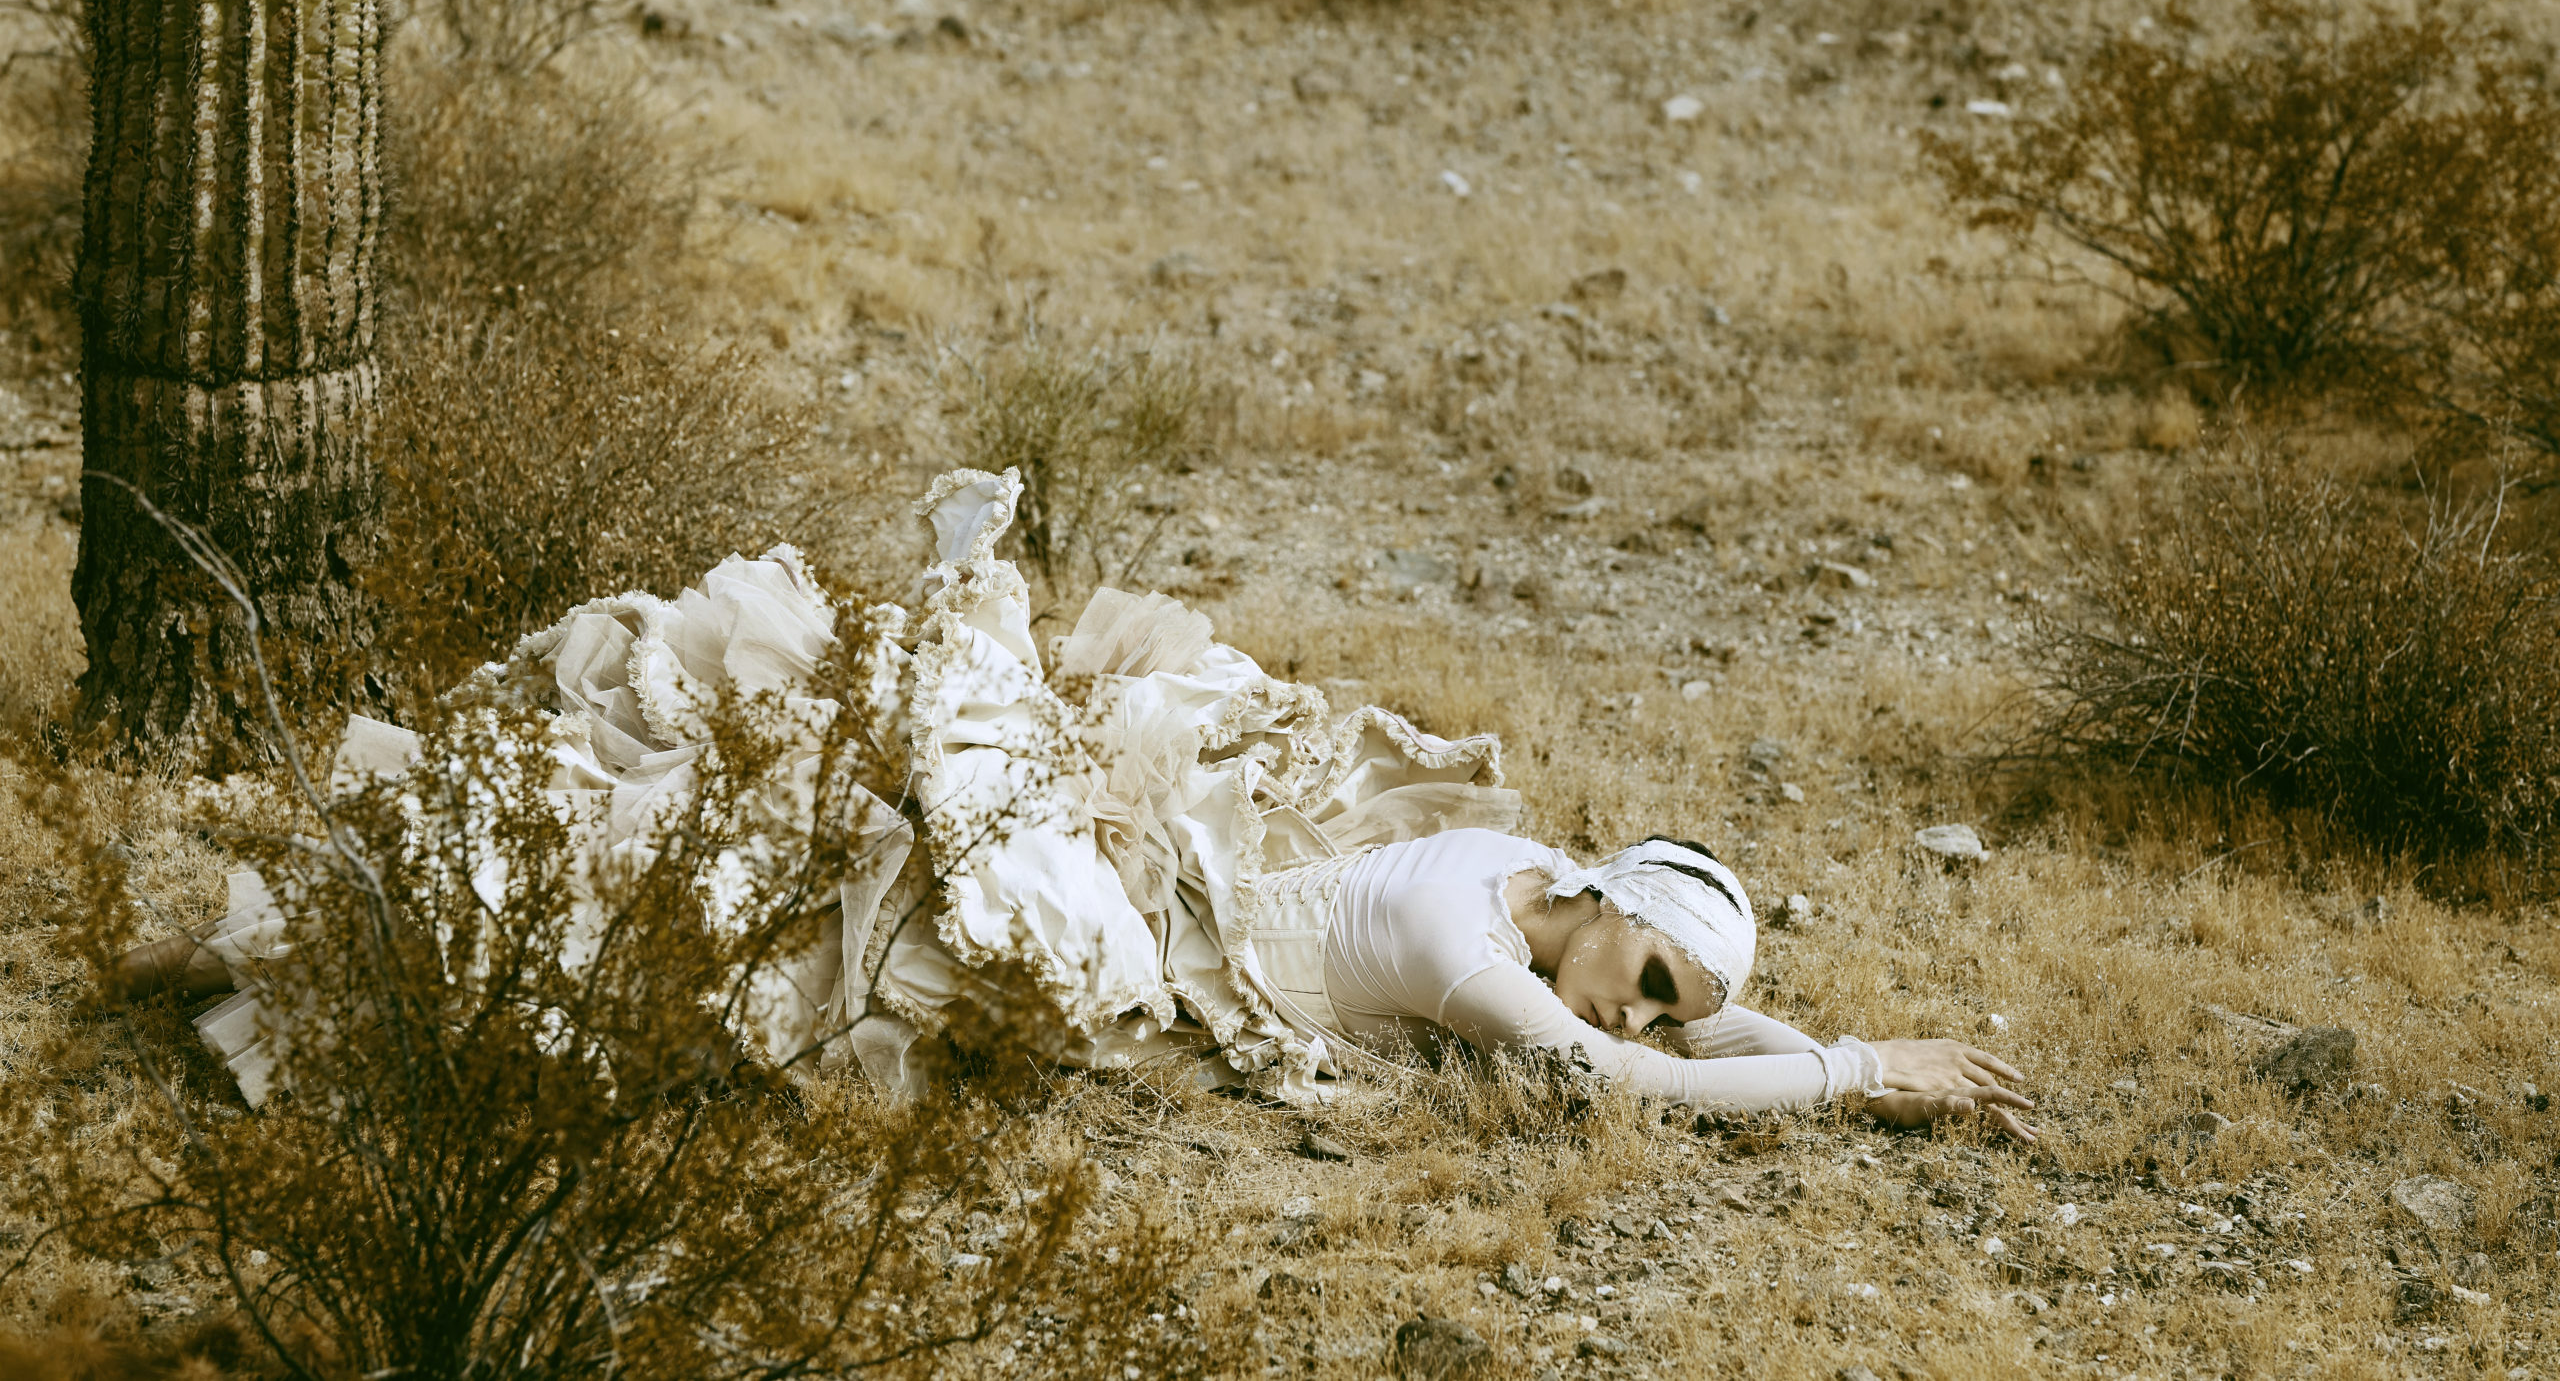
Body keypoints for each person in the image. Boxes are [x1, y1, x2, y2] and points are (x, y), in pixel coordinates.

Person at [112, 469, 2032, 1139]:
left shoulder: (1516, 881)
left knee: (825, 891)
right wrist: (1857, 1073)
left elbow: (1690, 1037)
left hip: (1181, 883)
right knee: (836, 947)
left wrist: (1807, 1028)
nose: (1637, 1013)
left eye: (1665, 1000)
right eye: (1653, 974)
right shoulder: (1475, 953)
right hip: (1148, 931)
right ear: (1608, 898)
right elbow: (1655, 1088)